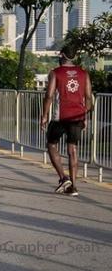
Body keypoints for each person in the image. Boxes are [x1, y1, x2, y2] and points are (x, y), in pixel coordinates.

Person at [41, 45, 93, 197]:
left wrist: (44, 115)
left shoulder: (55, 73)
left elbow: (49, 95)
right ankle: (74, 187)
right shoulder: (84, 73)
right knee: (73, 150)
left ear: (62, 55)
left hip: (60, 117)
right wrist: (85, 116)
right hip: (77, 116)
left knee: (51, 144)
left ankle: (64, 178)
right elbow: (89, 97)